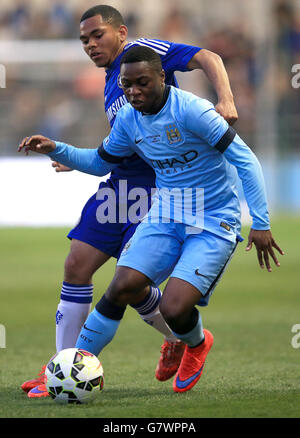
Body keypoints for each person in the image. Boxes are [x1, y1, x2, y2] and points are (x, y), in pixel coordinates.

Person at [19, 45, 284, 393]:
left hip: (213, 219)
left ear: (162, 76)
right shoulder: (129, 118)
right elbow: (101, 162)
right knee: (123, 284)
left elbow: (246, 161)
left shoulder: (193, 111)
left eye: (142, 83)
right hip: (166, 213)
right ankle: (70, 371)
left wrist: (261, 223)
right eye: (127, 85)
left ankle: (197, 342)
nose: (134, 92)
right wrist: (56, 148)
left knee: (174, 308)